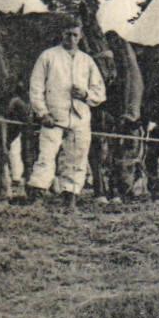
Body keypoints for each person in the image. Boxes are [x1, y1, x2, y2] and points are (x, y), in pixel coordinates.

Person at [24, 20, 105, 206]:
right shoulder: (48, 56)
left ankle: (71, 196)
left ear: (80, 36)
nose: (71, 38)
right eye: (68, 34)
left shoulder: (87, 61)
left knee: (77, 157)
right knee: (46, 155)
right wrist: (42, 113)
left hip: (80, 118)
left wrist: (86, 95)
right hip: (54, 116)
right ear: (62, 34)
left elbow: (100, 92)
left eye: (75, 35)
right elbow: (36, 88)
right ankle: (37, 195)